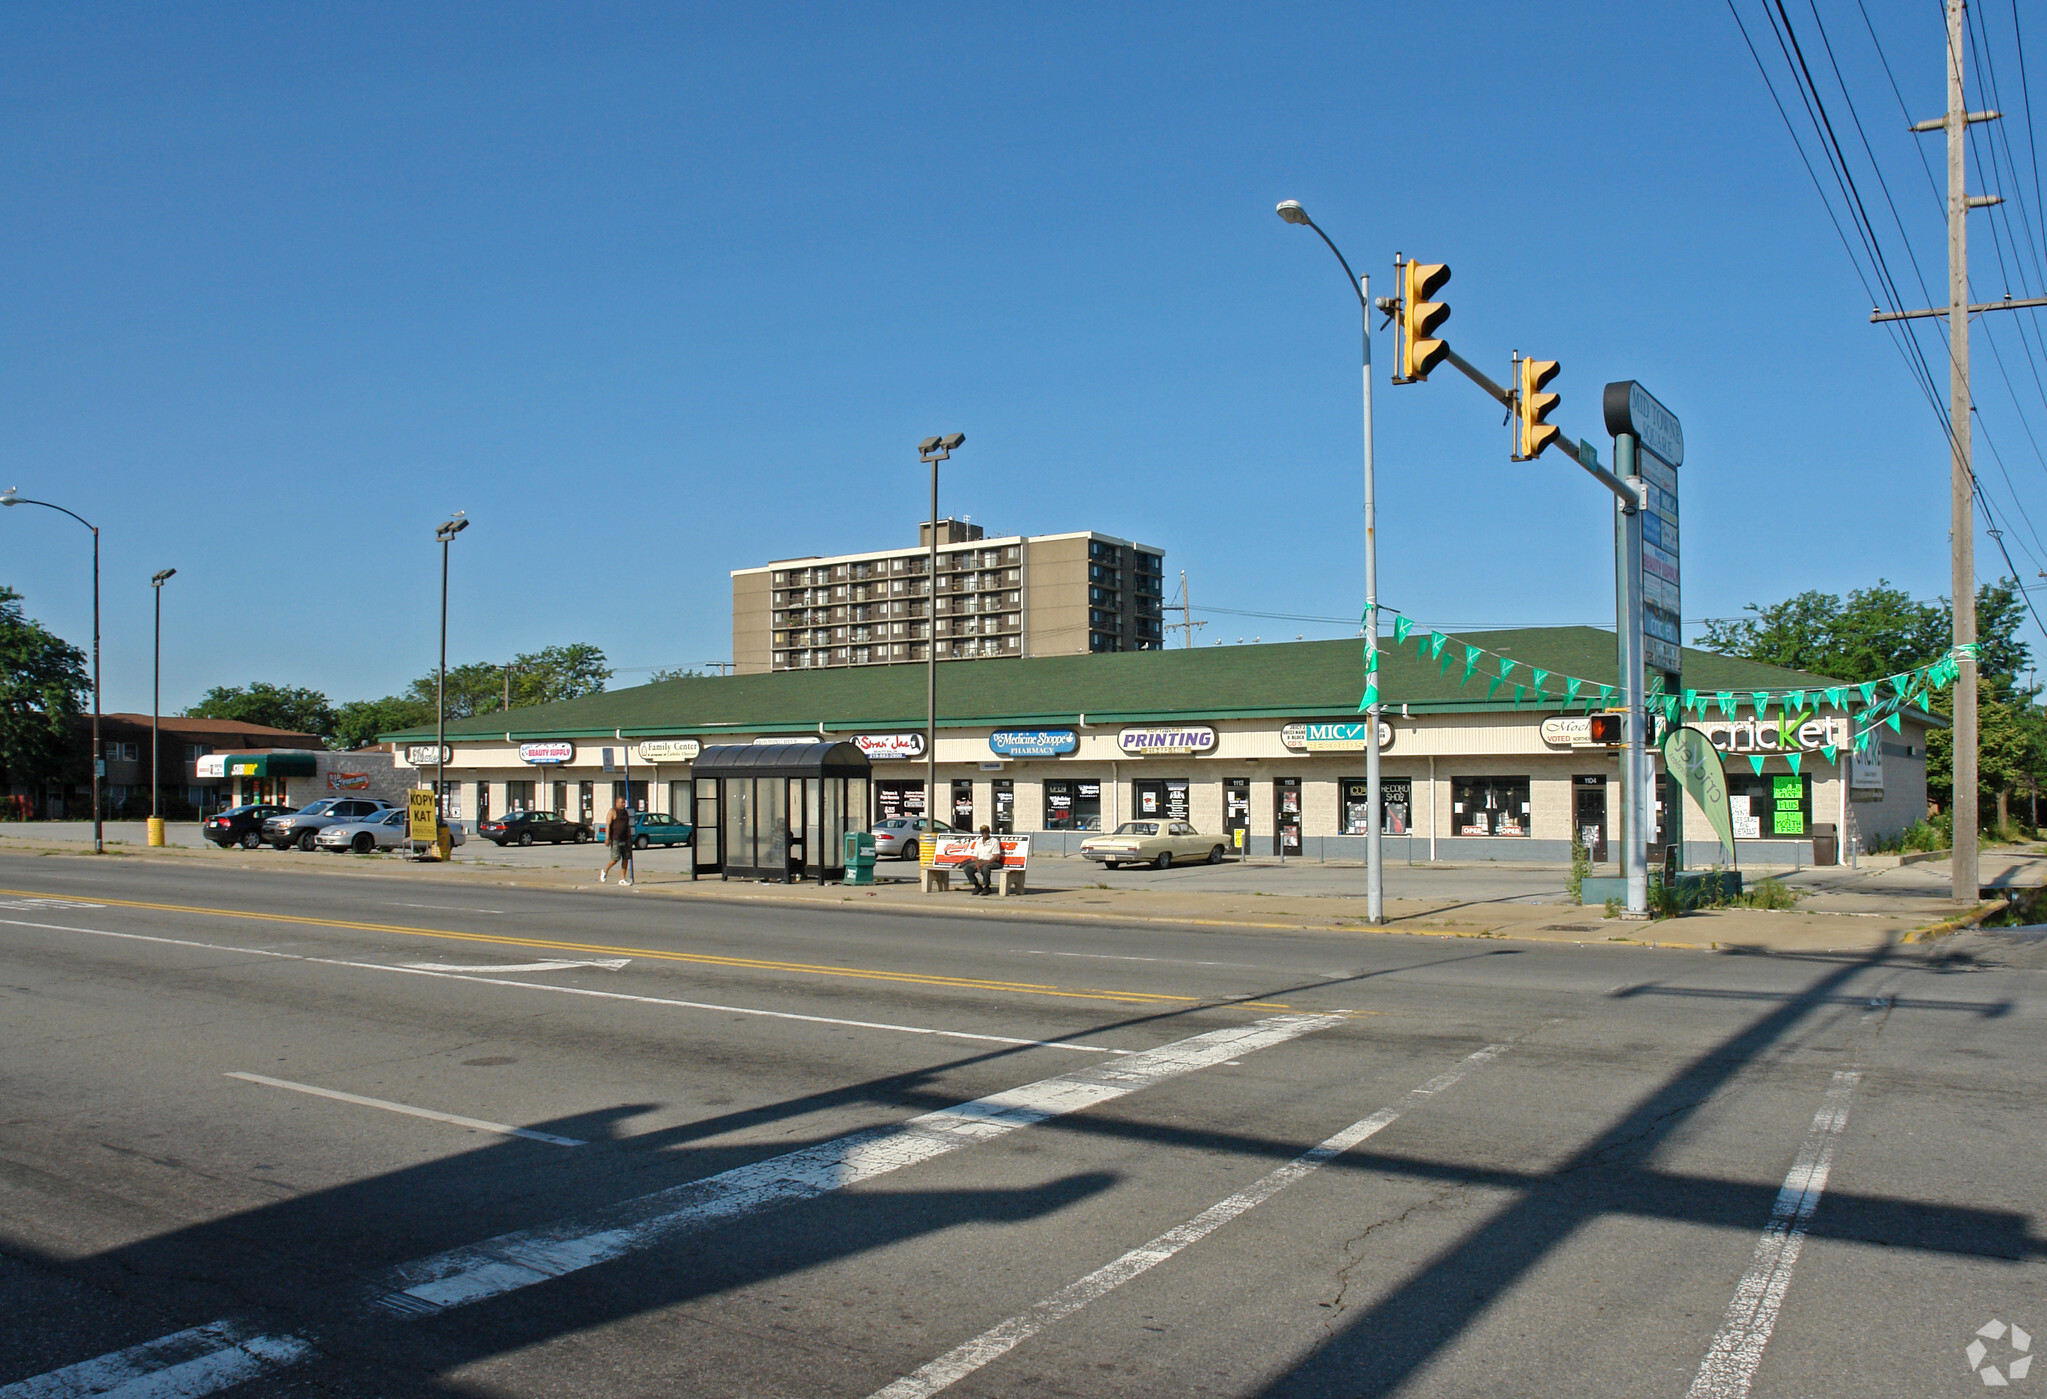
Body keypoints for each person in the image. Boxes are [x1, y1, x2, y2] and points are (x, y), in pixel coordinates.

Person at [599, 796, 634, 886]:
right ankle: (605, 871)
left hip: (625, 838)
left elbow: (627, 826)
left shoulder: (625, 812)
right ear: (616, 803)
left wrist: (630, 837)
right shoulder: (612, 811)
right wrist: (607, 838)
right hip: (616, 838)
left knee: (626, 858)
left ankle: (622, 878)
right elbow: (608, 825)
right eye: (622, 802)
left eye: (624, 803)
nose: (624, 804)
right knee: (615, 858)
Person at [961, 824, 1003, 896]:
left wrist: (983, 863)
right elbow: (975, 855)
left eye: (986, 832)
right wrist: (977, 863)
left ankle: (986, 886)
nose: (984, 834)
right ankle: (977, 885)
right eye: (982, 832)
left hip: (992, 862)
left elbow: (995, 856)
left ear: (989, 832)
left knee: (985, 868)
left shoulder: (994, 841)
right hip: (980, 861)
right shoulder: (978, 841)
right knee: (967, 868)